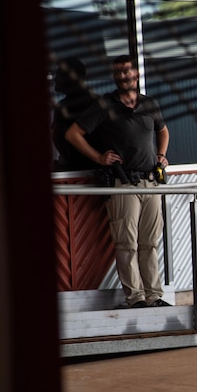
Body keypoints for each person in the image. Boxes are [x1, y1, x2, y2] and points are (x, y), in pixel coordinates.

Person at [65, 54, 171, 308]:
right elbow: (73, 134)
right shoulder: (104, 105)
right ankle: (135, 299)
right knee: (127, 244)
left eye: (126, 71)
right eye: (118, 73)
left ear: (136, 74)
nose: (122, 76)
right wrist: (99, 157)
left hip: (150, 183)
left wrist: (162, 155)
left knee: (150, 243)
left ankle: (154, 297)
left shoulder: (150, 104)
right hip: (123, 185)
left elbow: (163, 130)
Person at [51, 57, 99, 171]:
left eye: (59, 74)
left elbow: (59, 138)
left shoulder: (95, 105)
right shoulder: (98, 102)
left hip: (80, 171)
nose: (55, 79)